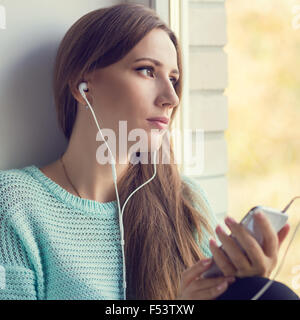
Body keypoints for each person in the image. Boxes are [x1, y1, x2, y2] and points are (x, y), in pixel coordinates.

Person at [0, 3, 298, 300]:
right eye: (147, 70)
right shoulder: (17, 204)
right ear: (83, 85)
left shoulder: (184, 201)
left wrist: (247, 283)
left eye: (173, 79)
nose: (170, 98)